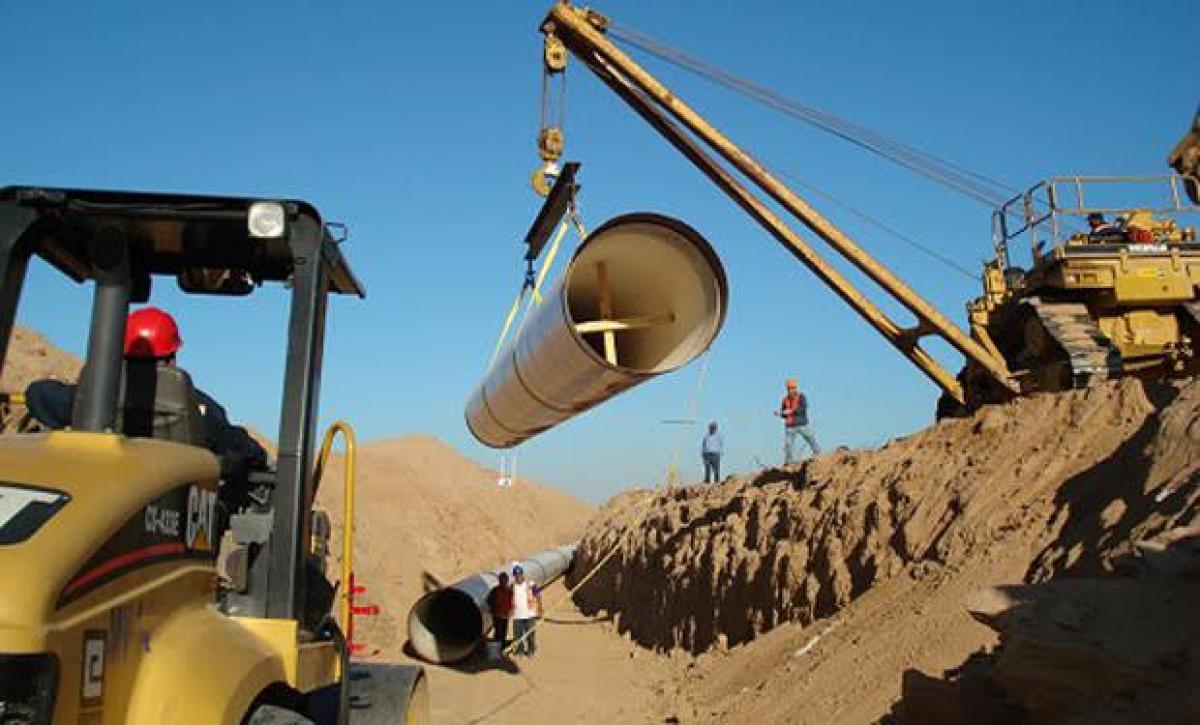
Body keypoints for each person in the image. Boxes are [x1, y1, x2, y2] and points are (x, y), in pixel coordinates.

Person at [24, 306, 269, 503]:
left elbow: (38, 394)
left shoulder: (95, 398)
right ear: (172, 357)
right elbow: (238, 445)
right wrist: (255, 454)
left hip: (101, 498)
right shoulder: (198, 407)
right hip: (175, 512)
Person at [775, 378, 820, 465]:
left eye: (793, 388)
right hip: (790, 426)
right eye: (789, 388)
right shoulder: (785, 400)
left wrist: (792, 411)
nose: (791, 390)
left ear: (796, 388)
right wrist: (780, 414)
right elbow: (784, 413)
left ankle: (818, 454)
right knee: (788, 445)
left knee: (810, 438)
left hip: (802, 424)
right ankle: (789, 462)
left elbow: (803, 408)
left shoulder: (801, 397)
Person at [509, 564, 542, 657]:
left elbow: (538, 595)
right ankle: (520, 651)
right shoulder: (512, 586)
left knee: (530, 635)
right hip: (517, 615)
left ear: (522, 574)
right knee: (518, 636)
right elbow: (510, 598)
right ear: (514, 576)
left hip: (529, 614)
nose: (518, 577)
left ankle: (531, 651)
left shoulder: (530, 584)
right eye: (516, 575)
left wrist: (540, 607)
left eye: (519, 574)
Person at [486, 571, 514, 651]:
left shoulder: (509, 590)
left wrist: (510, 610)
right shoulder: (495, 591)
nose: (503, 583)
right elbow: (489, 601)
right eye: (501, 581)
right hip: (497, 616)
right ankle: (496, 650)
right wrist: (494, 610)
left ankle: (503, 643)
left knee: (504, 631)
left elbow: (512, 600)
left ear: (507, 581)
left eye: (504, 581)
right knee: (498, 633)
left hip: (505, 615)